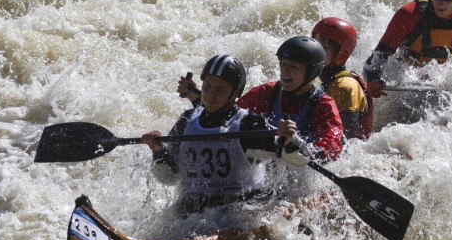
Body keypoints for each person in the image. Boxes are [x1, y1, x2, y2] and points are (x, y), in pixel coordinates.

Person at [143, 54, 303, 216]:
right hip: (192, 209)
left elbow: (294, 163)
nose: (211, 94)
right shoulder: (186, 120)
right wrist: (157, 150)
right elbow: (168, 178)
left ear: (235, 93)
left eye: (220, 89)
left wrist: (289, 141)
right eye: (207, 86)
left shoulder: (248, 124)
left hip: (240, 209)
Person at [234, 36, 345, 164]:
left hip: (299, 174)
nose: (285, 71)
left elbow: (331, 149)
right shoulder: (265, 92)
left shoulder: (324, 105)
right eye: (283, 64)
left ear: (311, 72)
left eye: (294, 67)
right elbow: (232, 116)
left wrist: (294, 142)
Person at [311, 17, 373, 140]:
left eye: (324, 48)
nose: (315, 51)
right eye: (314, 44)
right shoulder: (313, 75)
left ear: (341, 54)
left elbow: (347, 136)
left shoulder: (345, 86)